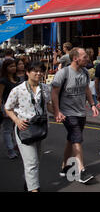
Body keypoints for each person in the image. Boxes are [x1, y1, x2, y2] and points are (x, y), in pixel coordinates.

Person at [51, 47, 99, 183]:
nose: (87, 58)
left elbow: (86, 89)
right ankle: (81, 170)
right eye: (84, 57)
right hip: (67, 113)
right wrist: (57, 111)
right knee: (77, 139)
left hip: (80, 112)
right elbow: (54, 93)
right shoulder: (63, 73)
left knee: (71, 139)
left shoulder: (84, 72)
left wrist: (93, 105)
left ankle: (65, 167)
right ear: (75, 58)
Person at [5, 62, 51, 192]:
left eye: (41, 71)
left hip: (41, 129)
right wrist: (16, 120)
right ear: (27, 72)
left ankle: (29, 183)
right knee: (31, 162)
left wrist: (58, 113)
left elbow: (48, 106)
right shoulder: (18, 90)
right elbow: (8, 108)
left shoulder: (45, 88)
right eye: (35, 71)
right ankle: (33, 189)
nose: (38, 73)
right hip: (24, 129)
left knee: (36, 161)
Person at [0, 59, 20, 159]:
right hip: (7, 107)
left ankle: (16, 147)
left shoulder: (17, 79)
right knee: (7, 130)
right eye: (10, 66)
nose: (13, 68)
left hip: (18, 108)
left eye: (14, 66)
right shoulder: (3, 80)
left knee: (16, 129)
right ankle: (10, 149)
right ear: (5, 68)